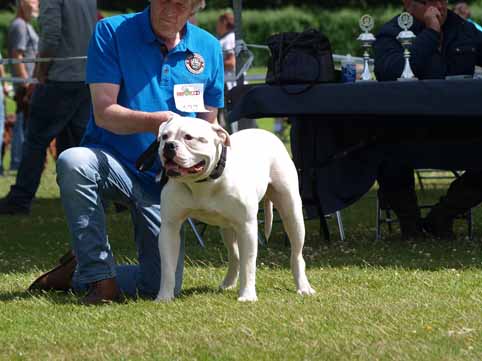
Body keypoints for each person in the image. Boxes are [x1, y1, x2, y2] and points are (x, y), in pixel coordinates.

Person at [28, 0, 224, 305]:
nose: (170, 11)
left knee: (159, 286)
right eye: (164, 1)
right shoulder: (111, 31)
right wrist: (157, 122)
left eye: (182, 4)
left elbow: (208, 131)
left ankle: (77, 271)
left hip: (167, 181)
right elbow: (104, 112)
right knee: (73, 161)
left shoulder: (208, 48)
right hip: (113, 162)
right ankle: (100, 280)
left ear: (195, 8)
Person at [374, 0, 482, 240]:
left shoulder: (463, 28)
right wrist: (431, 32)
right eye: (428, 1)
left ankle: (442, 216)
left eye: (441, 0)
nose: (438, 6)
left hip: (462, 130)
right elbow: (390, 71)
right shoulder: (391, 32)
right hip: (409, 131)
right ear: (408, 4)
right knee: (383, 149)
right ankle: (411, 227)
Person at [0, 0, 97, 215]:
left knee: (35, 139)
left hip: (60, 77)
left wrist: (41, 71)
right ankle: (91, 198)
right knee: (76, 145)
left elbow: (51, 35)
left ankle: (20, 199)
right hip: (84, 78)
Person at [7, 0, 39, 172]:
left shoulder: (26, 25)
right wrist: (26, 82)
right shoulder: (20, 25)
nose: (37, 4)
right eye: (33, 0)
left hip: (29, 83)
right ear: (22, 3)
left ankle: (19, 162)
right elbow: (17, 56)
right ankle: (17, 163)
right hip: (24, 85)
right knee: (21, 124)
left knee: (24, 123)